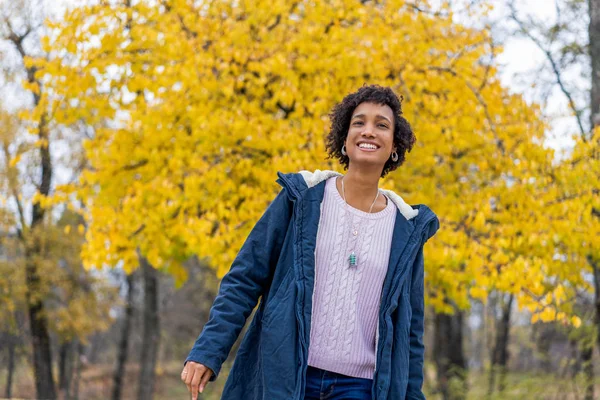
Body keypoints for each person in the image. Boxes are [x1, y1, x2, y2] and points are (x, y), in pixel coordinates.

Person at [181, 84, 440, 400]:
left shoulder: (407, 229)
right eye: (359, 123)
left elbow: (411, 333)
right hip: (286, 376)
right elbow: (245, 279)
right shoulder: (301, 200)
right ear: (344, 141)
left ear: (394, 146)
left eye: (381, 125)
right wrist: (208, 350)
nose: (369, 131)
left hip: (360, 388)